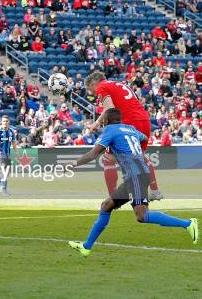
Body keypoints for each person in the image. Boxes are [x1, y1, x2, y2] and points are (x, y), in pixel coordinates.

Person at [68, 108, 198, 257]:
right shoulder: (130, 129)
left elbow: (93, 153)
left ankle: (188, 224)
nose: (101, 120)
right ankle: (86, 247)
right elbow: (143, 138)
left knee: (142, 216)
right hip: (136, 174)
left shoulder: (110, 130)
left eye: (102, 118)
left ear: (108, 119)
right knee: (106, 206)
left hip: (136, 175)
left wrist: (74, 163)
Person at [85, 71, 163, 201]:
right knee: (140, 158)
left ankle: (114, 198)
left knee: (108, 158)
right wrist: (98, 122)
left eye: (90, 89)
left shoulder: (101, 87)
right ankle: (155, 191)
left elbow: (110, 109)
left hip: (129, 122)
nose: (92, 93)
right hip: (143, 120)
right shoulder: (119, 84)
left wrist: (101, 126)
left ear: (94, 83)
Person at [0, 116, 18, 196]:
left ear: (9, 122)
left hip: (8, 155)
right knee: (4, 173)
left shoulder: (11, 131)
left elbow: (13, 142)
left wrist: (16, 152)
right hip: (0, 155)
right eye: (4, 121)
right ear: (1, 122)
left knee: (6, 174)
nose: (5, 123)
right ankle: (4, 191)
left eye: (7, 121)